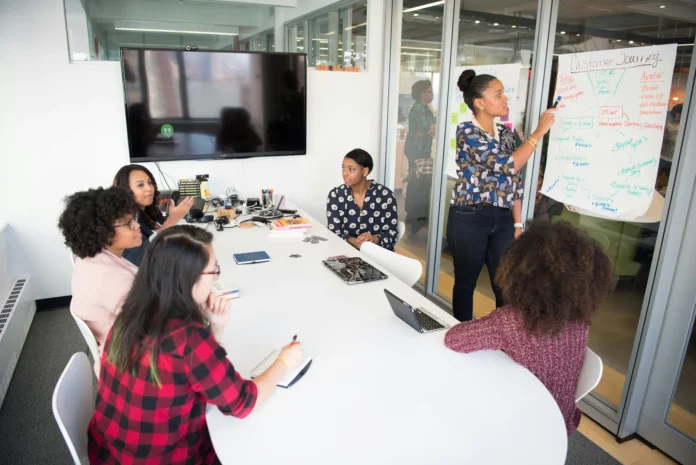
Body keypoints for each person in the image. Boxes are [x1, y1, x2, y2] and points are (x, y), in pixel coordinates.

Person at [88, 225, 305, 465]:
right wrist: (284, 360)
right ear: (189, 278)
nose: (215, 279)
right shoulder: (187, 338)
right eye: (214, 271)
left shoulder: (130, 313)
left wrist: (216, 327)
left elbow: (193, 372)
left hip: (110, 453)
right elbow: (242, 403)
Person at [444, 221, 612, 436]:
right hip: (560, 422)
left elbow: (454, 339)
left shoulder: (510, 320)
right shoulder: (579, 321)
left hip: (519, 425)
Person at [448, 69, 556, 322]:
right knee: (466, 282)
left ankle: (504, 339)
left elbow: (513, 181)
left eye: (504, 93)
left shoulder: (506, 133)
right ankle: (461, 333)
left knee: (505, 285)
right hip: (469, 216)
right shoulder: (468, 132)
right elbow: (508, 165)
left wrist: (517, 223)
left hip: (503, 218)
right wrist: (538, 132)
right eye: (498, 94)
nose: (505, 99)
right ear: (479, 103)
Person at [58, 187, 141, 363]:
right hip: (132, 362)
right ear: (102, 232)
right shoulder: (109, 278)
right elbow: (155, 328)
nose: (137, 226)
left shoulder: (91, 259)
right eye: (128, 223)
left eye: (134, 219)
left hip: (120, 345)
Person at [113, 164, 194, 266]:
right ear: (125, 190)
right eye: (140, 185)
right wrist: (172, 220)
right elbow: (137, 259)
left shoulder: (151, 213)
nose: (149, 188)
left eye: (150, 182)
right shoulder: (124, 223)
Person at [327, 149, 399, 251]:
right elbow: (333, 232)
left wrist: (374, 239)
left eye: (351, 169)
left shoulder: (385, 196)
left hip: (378, 256)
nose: (344, 173)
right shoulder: (335, 195)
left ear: (365, 171)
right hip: (346, 254)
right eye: (343, 168)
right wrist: (355, 242)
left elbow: (392, 234)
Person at [404, 80, 437, 233]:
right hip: (416, 150)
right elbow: (429, 128)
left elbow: (433, 128)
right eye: (429, 91)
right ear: (422, 94)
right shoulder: (418, 109)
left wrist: (429, 129)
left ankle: (415, 216)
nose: (432, 94)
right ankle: (413, 216)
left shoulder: (426, 108)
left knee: (418, 181)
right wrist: (428, 129)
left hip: (422, 149)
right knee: (416, 181)